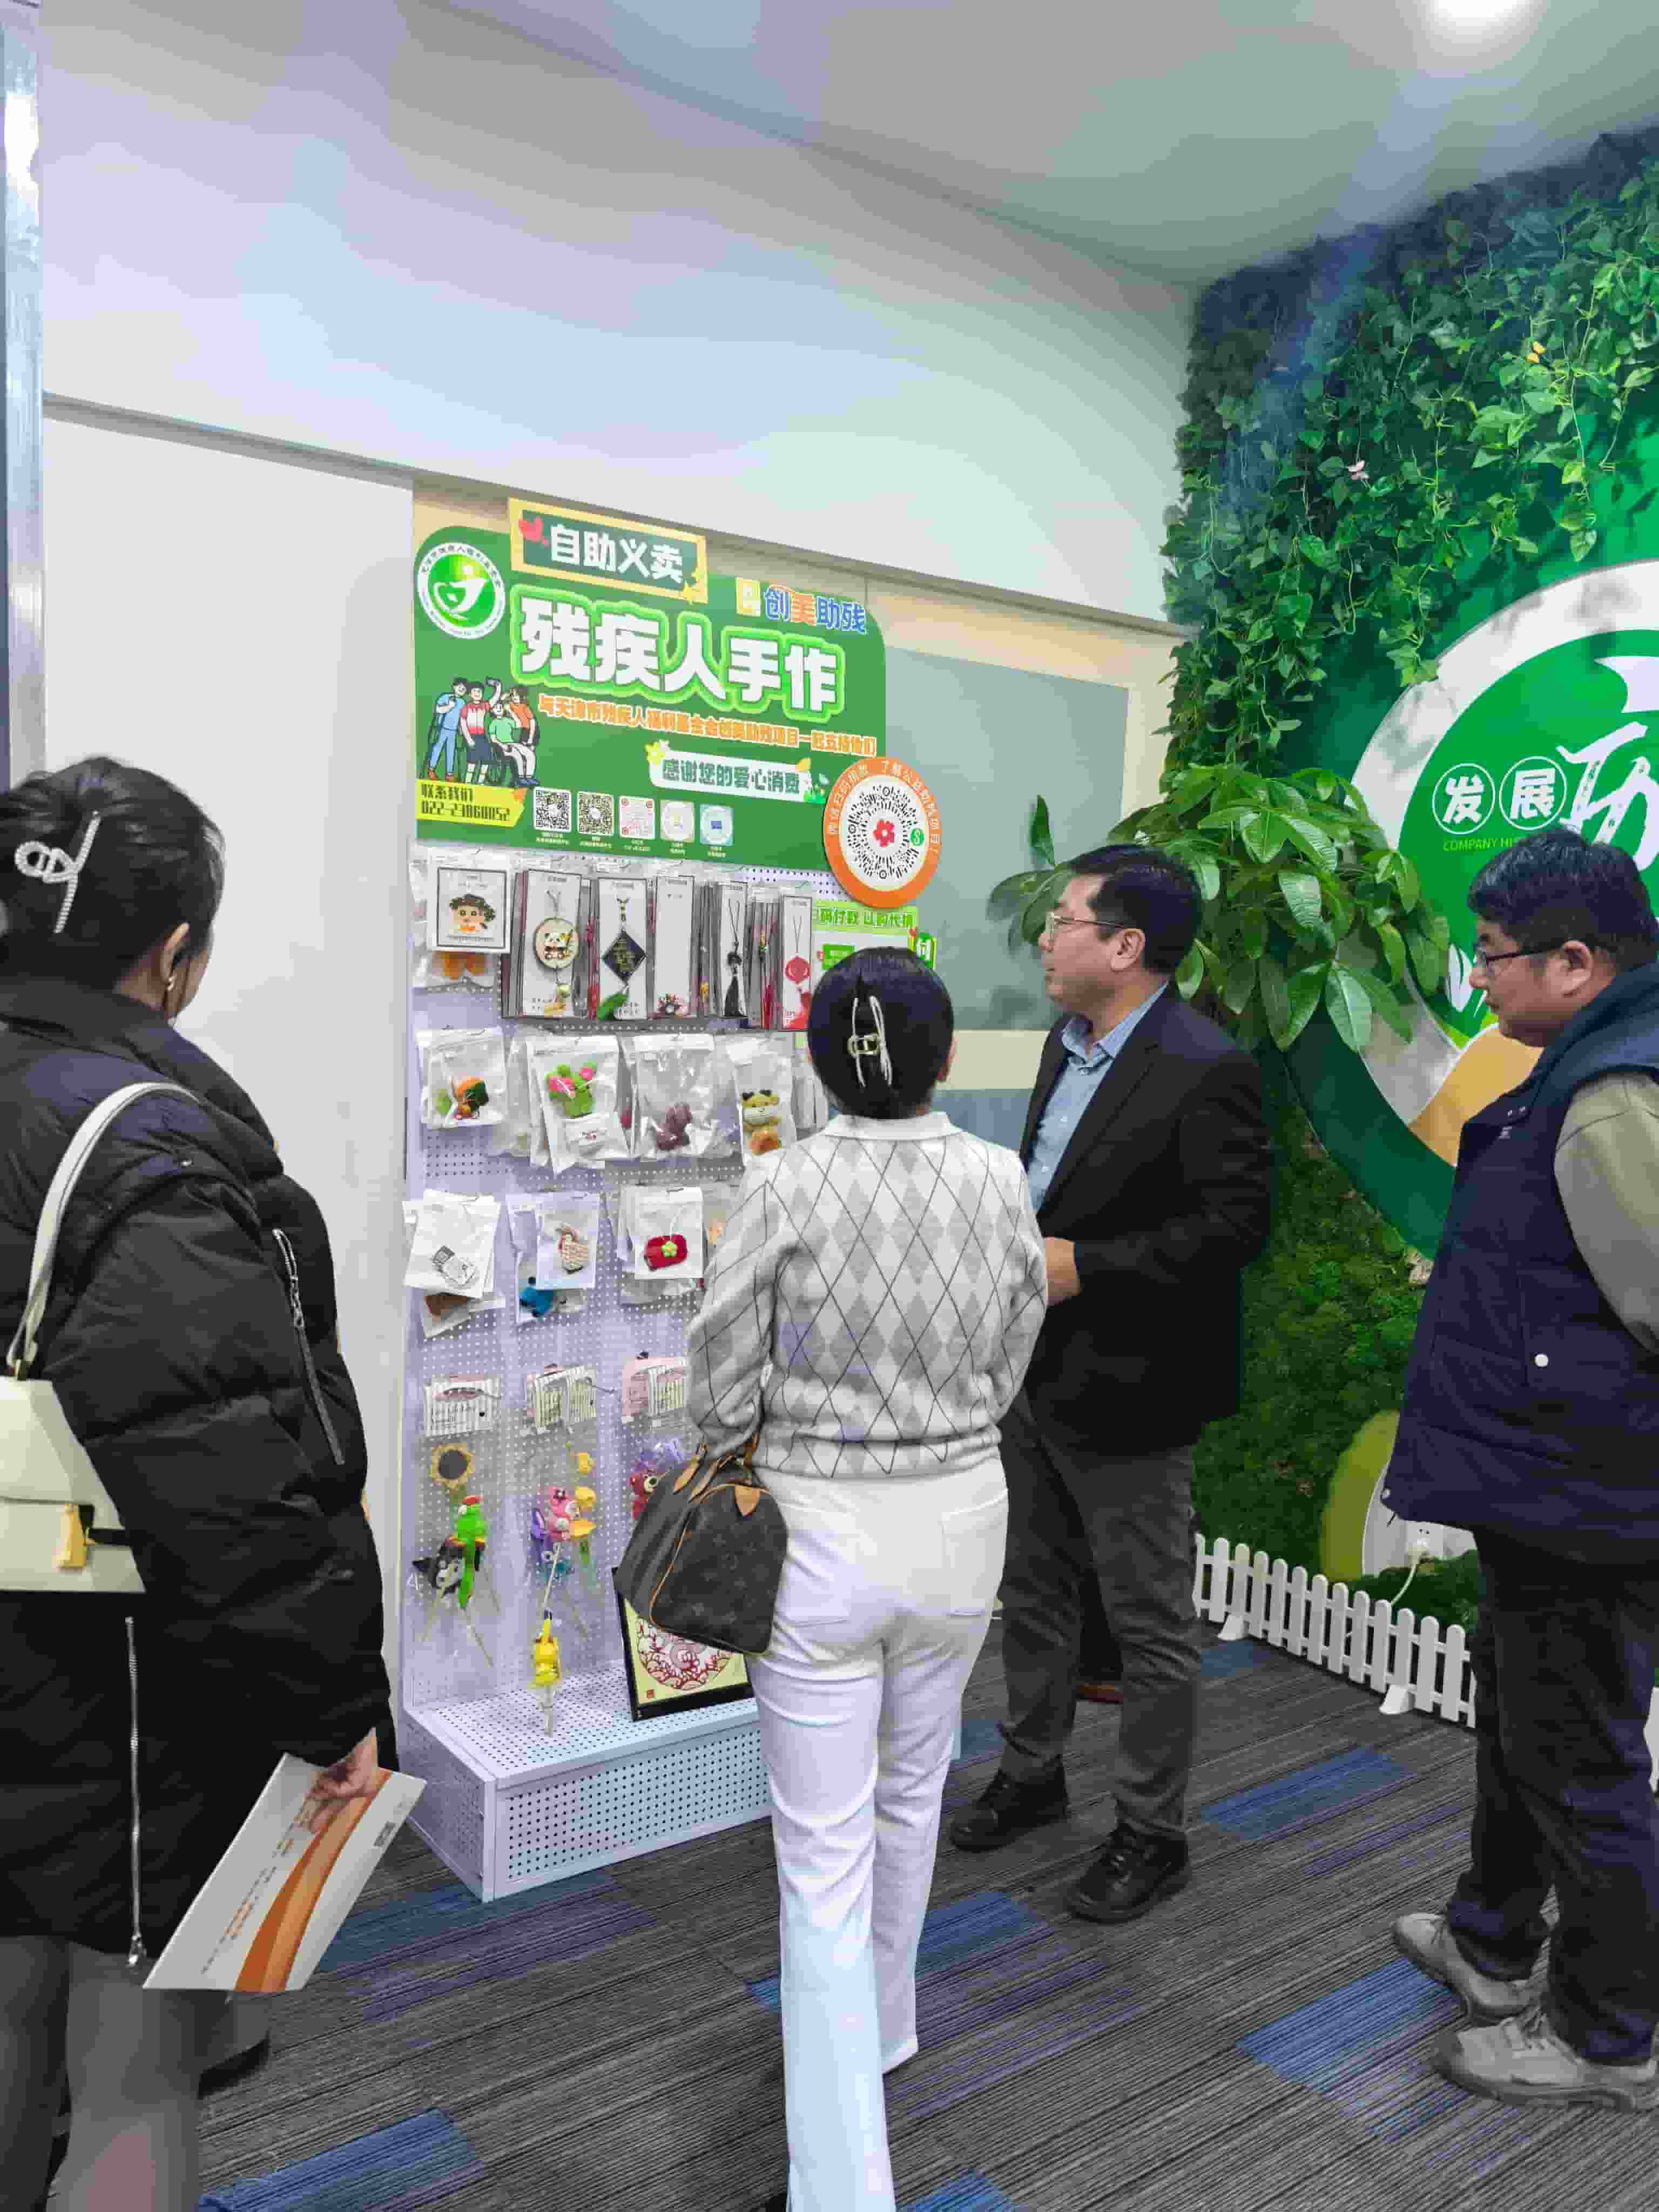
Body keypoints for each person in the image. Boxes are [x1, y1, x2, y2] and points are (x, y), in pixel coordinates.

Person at [0, 758, 393, 2212]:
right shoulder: (144, 1148)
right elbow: (228, 1494)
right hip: (114, 1705)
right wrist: (333, 1709)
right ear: (174, 956)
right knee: (136, 2066)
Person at [687, 950, 1047, 2212]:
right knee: (914, 1787)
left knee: (819, 1855)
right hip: (962, 1513)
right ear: (943, 1057)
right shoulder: (998, 1177)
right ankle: (883, 2028)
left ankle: (841, 2184)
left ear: (817, 1061)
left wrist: (742, 1435)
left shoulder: (780, 1182)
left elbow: (718, 1369)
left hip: (817, 1524)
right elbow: (1019, 1333)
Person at [1385, 826, 1659, 2112]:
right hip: (1547, 1479)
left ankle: (1609, 2033)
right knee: (1521, 1723)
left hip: (1583, 1492)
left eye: (1491, 955)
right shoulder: (1584, 1065)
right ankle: (1491, 1939)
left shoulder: (1610, 1091)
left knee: (1578, 1760)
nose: (1478, 976)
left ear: (1574, 960)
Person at [950, 845, 1271, 1926]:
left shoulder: (1206, 1065)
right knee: (1035, 1592)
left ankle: (1151, 1829)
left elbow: (1233, 1229)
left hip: (1136, 1386)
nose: (1045, 938)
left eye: (1065, 921)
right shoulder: (1067, 1043)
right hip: (1035, 1370)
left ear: (1126, 946)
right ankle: (1031, 1769)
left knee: (1147, 1620)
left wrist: (1087, 1264)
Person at [424, 678, 468, 783]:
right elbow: (438, 709)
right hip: (442, 729)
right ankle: (431, 770)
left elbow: (461, 718)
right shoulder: (445, 697)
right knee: (437, 748)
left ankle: (449, 774)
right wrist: (450, 706)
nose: (462, 689)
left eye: (464, 688)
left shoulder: (463, 702)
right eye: (460, 686)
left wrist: (461, 729)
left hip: (454, 731)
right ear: (454, 687)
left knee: (451, 752)